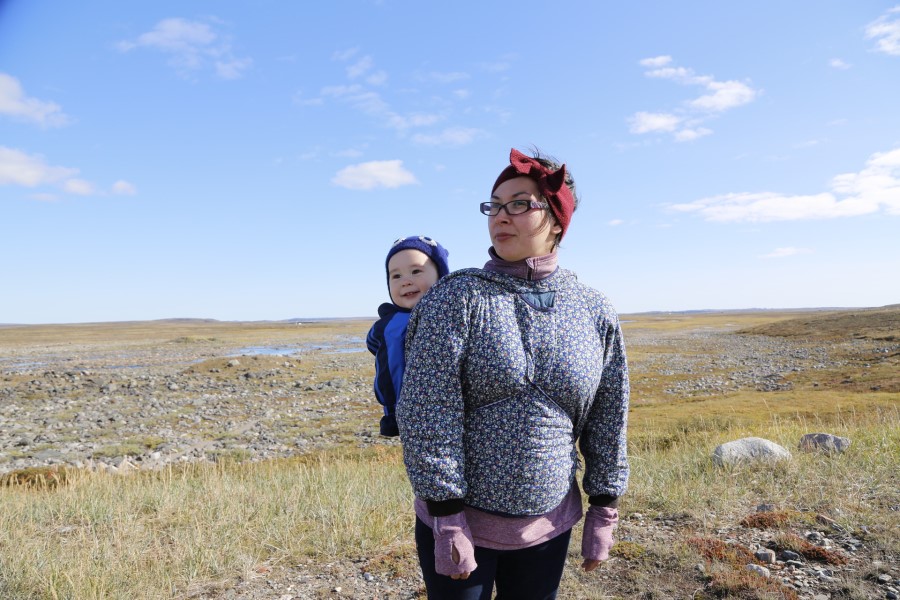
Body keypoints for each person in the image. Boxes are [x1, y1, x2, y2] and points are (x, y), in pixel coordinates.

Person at [396, 148, 629, 599]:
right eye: (495, 205)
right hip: (460, 522)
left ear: (557, 221)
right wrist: (446, 517)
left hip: (549, 523)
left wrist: (604, 508)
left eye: (519, 203)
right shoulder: (456, 297)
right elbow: (427, 411)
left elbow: (608, 414)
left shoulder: (594, 309)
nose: (501, 215)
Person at [366, 235, 450, 437]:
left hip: (449, 414)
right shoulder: (389, 324)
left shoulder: (450, 316)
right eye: (396, 276)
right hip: (402, 414)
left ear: (441, 276)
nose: (406, 281)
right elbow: (376, 348)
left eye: (416, 271)